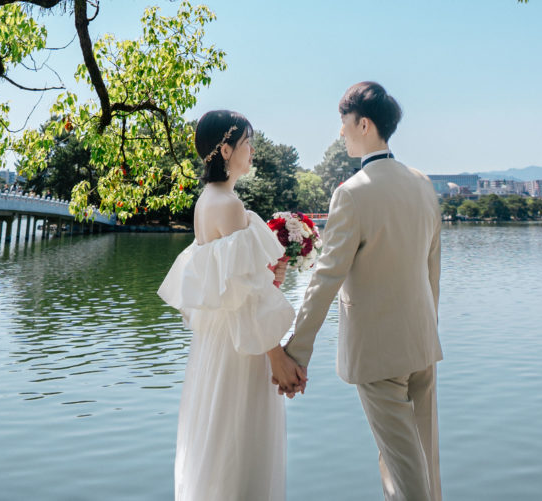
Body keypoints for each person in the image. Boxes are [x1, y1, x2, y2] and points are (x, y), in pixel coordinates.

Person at [278, 82, 442, 501]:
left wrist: (295, 351)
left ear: (364, 124)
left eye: (343, 122)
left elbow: (325, 279)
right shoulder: (423, 184)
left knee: (405, 475)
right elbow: (432, 271)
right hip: (422, 343)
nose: (340, 133)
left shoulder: (352, 193)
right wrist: (427, 328)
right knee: (420, 461)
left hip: (379, 353)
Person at [157, 110, 295, 501]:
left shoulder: (210, 200)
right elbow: (247, 300)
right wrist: (279, 359)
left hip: (218, 343)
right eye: (247, 142)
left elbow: (235, 286)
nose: (253, 150)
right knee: (241, 443)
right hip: (241, 346)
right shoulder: (229, 206)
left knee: (220, 441)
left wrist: (271, 277)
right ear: (224, 149)